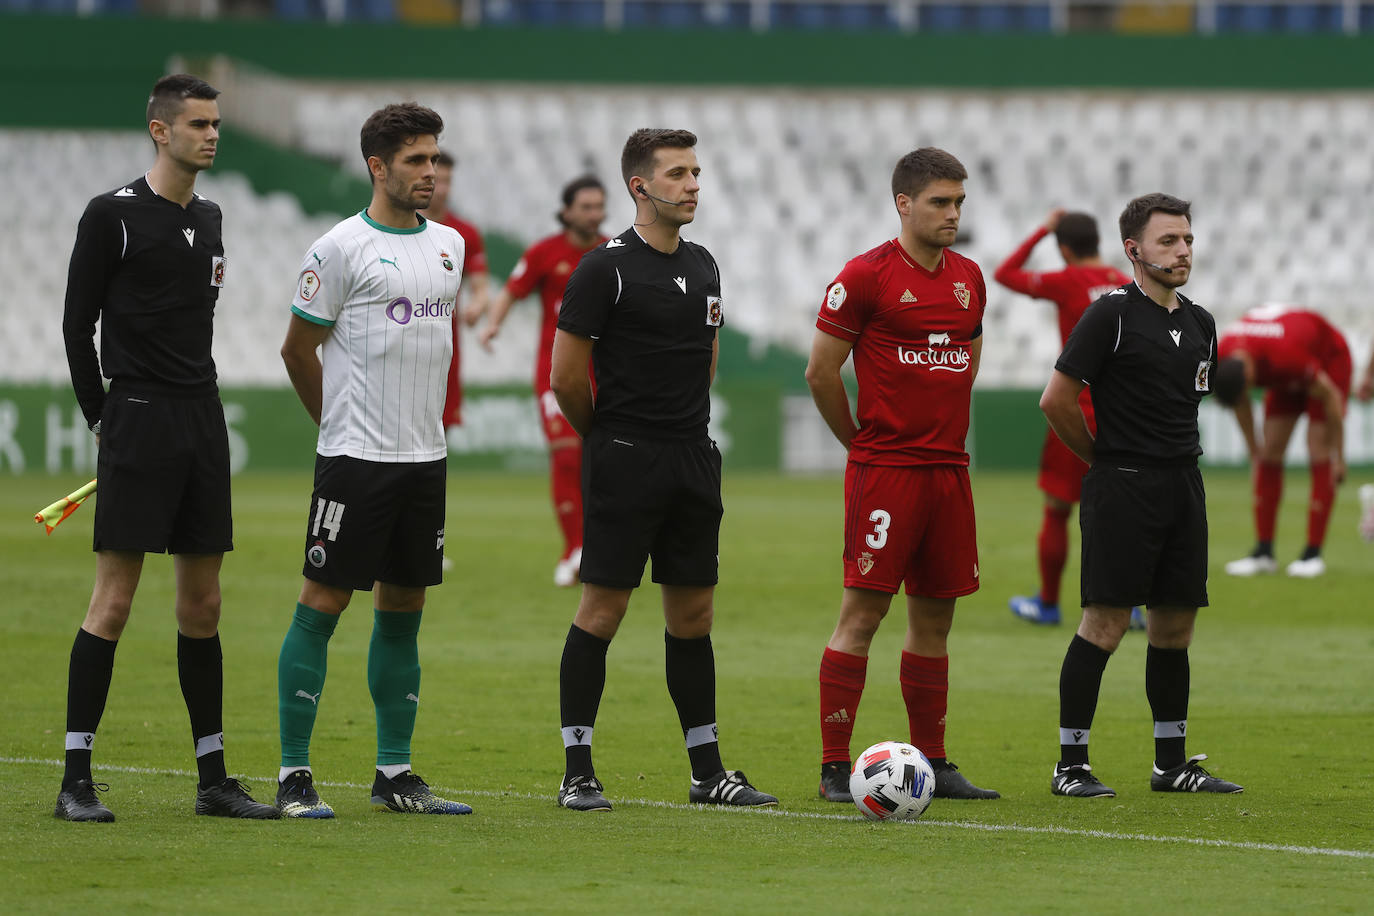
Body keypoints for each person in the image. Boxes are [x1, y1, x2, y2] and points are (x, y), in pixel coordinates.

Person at [57, 74, 278, 822]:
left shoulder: (211, 217)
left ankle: (213, 779)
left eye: (216, 122)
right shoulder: (110, 216)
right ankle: (75, 778)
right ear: (160, 130)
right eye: (198, 123)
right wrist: (102, 418)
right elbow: (75, 326)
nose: (212, 133)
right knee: (113, 601)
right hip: (139, 418)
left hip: (201, 419)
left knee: (204, 603)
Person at [549, 128, 776, 812]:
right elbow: (565, 378)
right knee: (604, 609)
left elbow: (704, 356)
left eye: (697, 172)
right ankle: (578, 770)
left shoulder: (705, 265)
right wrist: (612, 438)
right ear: (639, 186)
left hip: (692, 457)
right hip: (624, 457)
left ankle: (708, 773)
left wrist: (685, 435)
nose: (693, 184)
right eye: (678, 173)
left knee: (694, 614)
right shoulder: (604, 268)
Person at [275, 103, 472, 819]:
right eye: (416, 160)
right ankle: (294, 775)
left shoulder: (449, 247)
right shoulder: (339, 248)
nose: (430, 172)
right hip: (356, 459)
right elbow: (298, 350)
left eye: (435, 158)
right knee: (322, 603)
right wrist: (334, 426)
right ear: (377, 167)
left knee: (405, 609)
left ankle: (395, 773)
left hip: (426, 459)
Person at [806, 147, 999, 805]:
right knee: (862, 615)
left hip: (949, 470)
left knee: (935, 620)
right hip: (887, 471)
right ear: (904, 204)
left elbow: (969, 356)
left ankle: (937, 763)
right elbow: (821, 371)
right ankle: (835, 767)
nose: (953, 214)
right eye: (941, 202)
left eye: (959, 203)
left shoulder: (970, 276)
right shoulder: (865, 277)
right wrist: (857, 442)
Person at [1040, 192, 1242, 798]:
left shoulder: (1201, 322)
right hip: (1123, 487)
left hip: (1184, 483)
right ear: (1133, 250)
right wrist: (1103, 460)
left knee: (1174, 627)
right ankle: (1070, 765)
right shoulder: (1110, 315)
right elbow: (1056, 399)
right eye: (1168, 241)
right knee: (1103, 624)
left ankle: (1170, 763)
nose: (1182, 251)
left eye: (1187, 240)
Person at [993, 209, 1137, 628]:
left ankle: (1049, 604)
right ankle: (1128, 607)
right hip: (1123, 414)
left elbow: (1004, 273)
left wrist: (1041, 228)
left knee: (1058, 509)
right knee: (1123, 511)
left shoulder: (1065, 281)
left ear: (1064, 249)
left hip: (1074, 410)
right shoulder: (1127, 284)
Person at [477, 175, 608, 586]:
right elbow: (512, 291)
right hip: (556, 373)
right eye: (586, 206)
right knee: (567, 457)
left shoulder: (613, 252)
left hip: (605, 372)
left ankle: (600, 549)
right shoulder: (544, 253)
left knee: (602, 464)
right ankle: (575, 550)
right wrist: (492, 325)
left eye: (599, 206)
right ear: (566, 211)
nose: (594, 214)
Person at [1214, 306, 1352, 578]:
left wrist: (1340, 456)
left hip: (1327, 359)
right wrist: (1254, 454)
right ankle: (1264, 553)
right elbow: (1240, 404)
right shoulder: (1223, 356)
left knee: (1318, 448)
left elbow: (1331, 397)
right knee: (1269, 454)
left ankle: (1312, 556)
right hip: (1283, 367)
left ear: (1252, 376)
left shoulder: (1286, 357)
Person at [418, 150, 490, 432]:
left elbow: (481, 287)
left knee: (440, 428)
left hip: (445, 340)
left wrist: (477, 304)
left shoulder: (464, 233)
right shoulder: (399, 227)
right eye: (439, 181)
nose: (443, 189)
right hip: (404, 333)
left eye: (448, 181)